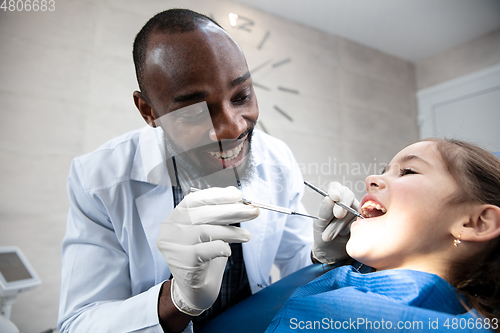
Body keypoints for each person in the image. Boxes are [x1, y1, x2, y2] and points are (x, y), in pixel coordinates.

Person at [57, 9, 356, 333]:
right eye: (193, 113)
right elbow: (78, 323)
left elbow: (293, 261)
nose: (232, 128)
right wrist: (178, 298)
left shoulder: (276, 158)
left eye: (242, 96)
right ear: (149, 111)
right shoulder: (99, 179)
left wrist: (322, 256)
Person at [265, 138, 500, 332]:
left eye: (407, 171)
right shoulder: (341, 286)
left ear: (476, 223)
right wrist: (328, 263)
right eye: (383, 171)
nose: (370, 180)